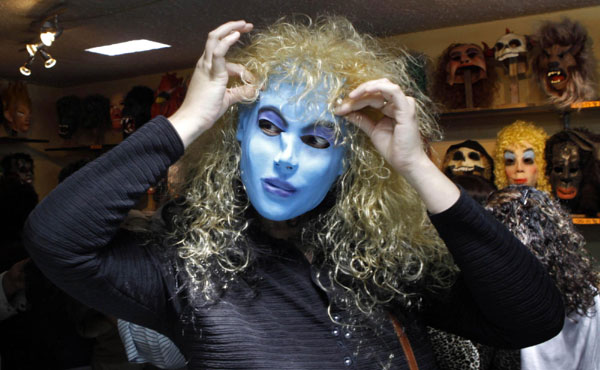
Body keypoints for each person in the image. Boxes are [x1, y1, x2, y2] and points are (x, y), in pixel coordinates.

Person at [24, 17, 564, 369]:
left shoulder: (382, 268)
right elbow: (55, 239)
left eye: (315, 139)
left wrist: (415, 166)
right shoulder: (188, 272)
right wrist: (187, 119)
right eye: (267, 128)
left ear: (345, 162)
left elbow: (532, 318)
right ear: (237, 134)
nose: (286, 155)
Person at [493, 120, 552, 192]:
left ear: (542, 165)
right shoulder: (495, 202)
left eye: (527, 160)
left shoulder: (551, 202)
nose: (519, 168)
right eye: (510, 161)